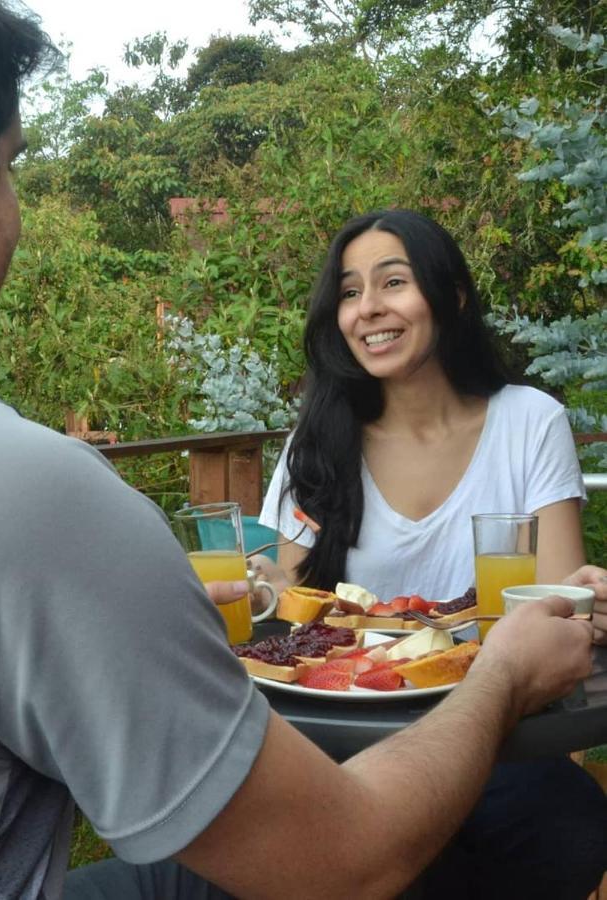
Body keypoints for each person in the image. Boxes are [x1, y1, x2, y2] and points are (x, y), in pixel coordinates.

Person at [0, 4, 599, 900]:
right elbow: (345, 863)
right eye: (13, 165)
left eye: (395, 283)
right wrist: (505, 675)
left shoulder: (524, 419)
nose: (14, 211)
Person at [255, 208, 607, 897]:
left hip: (498, 739)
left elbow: (558, 615)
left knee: (566, 820)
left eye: (393, 282)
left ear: (452, 295)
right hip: (345, 747)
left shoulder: (529, 423)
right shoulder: (319, 442)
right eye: (350, 292)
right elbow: (287, 616)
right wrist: (257, 582)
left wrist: (586, 600)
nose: (368, 309)